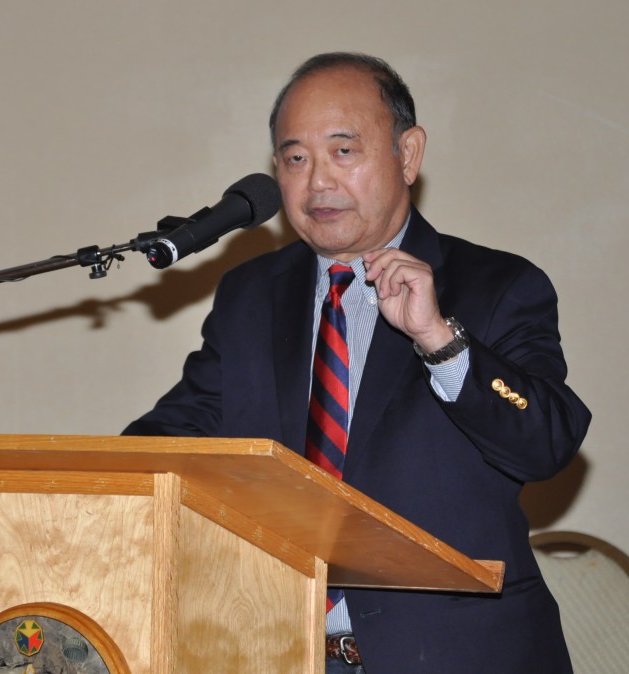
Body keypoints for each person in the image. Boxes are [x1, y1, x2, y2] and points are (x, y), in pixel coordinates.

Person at [123, 52, 591, 673]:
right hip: (281, 652)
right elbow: (177, 437)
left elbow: (548, 441)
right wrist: (86, 484)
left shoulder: (497, 285)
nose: (317, 182)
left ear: (410, 153)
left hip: (458, 657)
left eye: (343, 151)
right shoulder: (251, 295)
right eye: (295, 159)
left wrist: (442, 342)